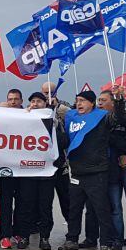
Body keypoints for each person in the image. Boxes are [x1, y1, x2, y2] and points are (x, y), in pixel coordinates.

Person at [56, 88, 124, 250]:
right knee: (74, 209)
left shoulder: (102, 117)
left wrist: (120, 99)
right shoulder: (71, 119)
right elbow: (65, 140)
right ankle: (71, 239)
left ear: (92, 103)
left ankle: (106, 243)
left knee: (101, 209)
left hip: (97, 172)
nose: (79, 103)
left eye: (83, 101)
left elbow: (118, 118)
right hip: (77, 172)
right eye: (77, 100)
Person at [14, 92, 56, 250]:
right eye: (33, 101)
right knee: (26, 205)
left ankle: (44, 237)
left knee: (45, 207)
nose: (36, 103)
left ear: (45, 104)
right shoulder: (24, 120)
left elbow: (62, 141)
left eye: (39, 101)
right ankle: (24, 236)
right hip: (28, 171)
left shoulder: (53, 122)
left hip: (46, 172)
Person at [93, 89, 126, 250]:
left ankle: (117, 240)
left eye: (103, 100)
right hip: (95, 172)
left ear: (112, 103)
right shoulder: (93, 119)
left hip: (113, 171)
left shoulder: (116, 120)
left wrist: (120, 99)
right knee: (96, 208)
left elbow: (122, 141)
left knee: (115, 208)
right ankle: (95, 238)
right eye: (98, 100)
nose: (99, 103)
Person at [42, 81, 73, 229]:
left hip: (61, 161)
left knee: (66, 197)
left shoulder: (64, 109)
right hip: (43, 162)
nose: (47, 95)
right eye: (45, 93)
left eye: (50, 92)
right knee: (43, 200)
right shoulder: (38, 109)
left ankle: (72, 228)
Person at [0, 88, 24, 249]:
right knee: (5, 203)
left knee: (22, 202)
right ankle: (5, 235)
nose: (13, 102)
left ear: (21, 101)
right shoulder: (1, 116)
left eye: (16, 99)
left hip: (24, 168)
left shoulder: (30, 115)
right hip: (5, 168)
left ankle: (19, 232)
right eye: (10, 99)